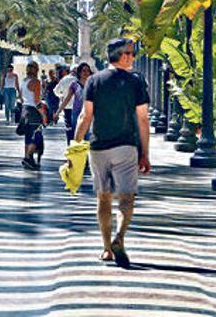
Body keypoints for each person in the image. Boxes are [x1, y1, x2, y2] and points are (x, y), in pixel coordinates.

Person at [74, 38, 150, 268]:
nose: (133, 57)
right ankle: (119, 237)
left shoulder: (94, 81)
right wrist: (145, 153)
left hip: (98, 148)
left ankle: (107, 249)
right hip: (126, 147)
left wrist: (74, 148)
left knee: (103, 198)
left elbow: (85, 117)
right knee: (127, 197)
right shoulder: (136, 82)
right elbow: (143, 119)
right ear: (123, 56)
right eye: (130, 53)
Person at [55, 63, 93, 144]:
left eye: (88, 70)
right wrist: (58, 112)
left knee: (88, 136)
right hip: (77, 112)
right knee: (78, 136)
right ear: (79, 72)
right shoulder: (74, 85)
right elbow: (67, 99)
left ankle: (87, 155)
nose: (86, 72)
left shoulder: (93, 84)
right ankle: (78, 155)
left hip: (89, 112)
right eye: (83, 71)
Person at [21, 61, 46, 170]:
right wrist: (43, 115)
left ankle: (27, 157)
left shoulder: (24, 81)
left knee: (28, 137)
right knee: (36, 137)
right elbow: (36, 101)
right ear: (36, 70)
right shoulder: (36, 82)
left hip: (24, 110)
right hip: (33, 112)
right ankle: (28, 158)